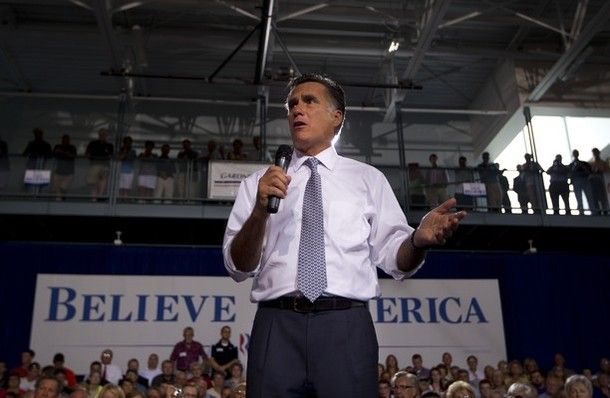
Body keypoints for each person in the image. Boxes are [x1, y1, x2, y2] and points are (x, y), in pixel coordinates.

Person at [222, 73, 466, 397]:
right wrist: (258, 211)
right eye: (292, 103)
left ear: (336, 117)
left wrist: (417, 241)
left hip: (346, 327)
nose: (297, 109)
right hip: (276, 326)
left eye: (309, 101)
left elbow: (397, 259)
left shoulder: (368, 179)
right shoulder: (259, 184)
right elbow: (238, 266)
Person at [85, 128, 113, 201]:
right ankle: (94, 198)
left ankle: (100, 196)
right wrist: (89, 156)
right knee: (93, 182)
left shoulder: (109, 145)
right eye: (102, 134)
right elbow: (87, 153)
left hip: (105, 165)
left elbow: (111, 155)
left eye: (105, 134)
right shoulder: (93, 143)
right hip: (94, 164)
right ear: (99, 135)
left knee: (103, 181)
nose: (103, 135)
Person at [52, 135, 77, 200]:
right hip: (58, 170)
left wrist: (62, 152)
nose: (65, 141)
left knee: (63, 187)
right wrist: (66, 154)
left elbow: (73, 156)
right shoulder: (58, 146)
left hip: (68, 172)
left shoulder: (72, 147)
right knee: (57, 188)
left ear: (69, 140)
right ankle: (58, 201)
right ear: (62, 140)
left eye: (67, 139)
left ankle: (62, 198)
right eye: (64, 139)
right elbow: (54, 154)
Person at [569, 149, 592, 215]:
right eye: (574, 153)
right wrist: (575, 167)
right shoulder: (571, 165)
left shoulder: (584, 163)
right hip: (576, 181)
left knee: (589, 196)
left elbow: (588, 172)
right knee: (578, 197)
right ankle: (581, 212)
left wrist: (581, 165)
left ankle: (593, 211)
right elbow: (570, 174)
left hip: (585, 180)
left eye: (576, 153)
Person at [588, 148, 610, 215]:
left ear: (598, 153)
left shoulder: (603, 163)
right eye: (594, 153)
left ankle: (605, 210)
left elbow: (607, 171)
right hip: (593, 182)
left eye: (596, 152)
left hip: (601, 181)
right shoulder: (590, 164)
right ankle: (598, 211)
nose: (595, 154)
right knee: (595, 197)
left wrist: (601, 170)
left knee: (603, 197)